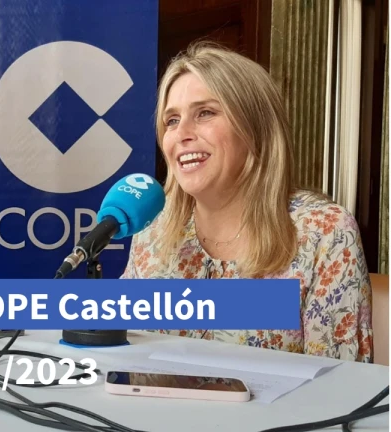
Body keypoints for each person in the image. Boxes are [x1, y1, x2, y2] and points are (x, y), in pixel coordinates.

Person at [121, 41, 373, 362]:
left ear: (255, 129)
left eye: (205, 113)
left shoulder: (324, 233)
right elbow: (127, 359)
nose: (181, 133)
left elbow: (343, 385)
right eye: (171, 120)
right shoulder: (153, 226)